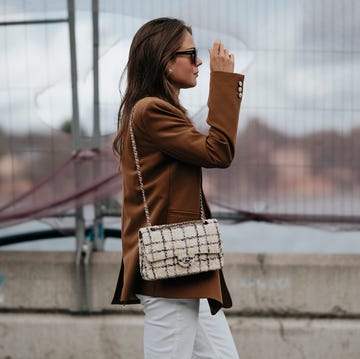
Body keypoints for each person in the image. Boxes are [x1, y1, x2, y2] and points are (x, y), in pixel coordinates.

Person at [112, 17, 244, 358]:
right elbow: (219, 151)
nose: (199, 61)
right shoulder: (151, 111)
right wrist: (224, 80)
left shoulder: (156, 111)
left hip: (186, 268)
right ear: (166, 61)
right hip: (172, 269)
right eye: (191, 53)